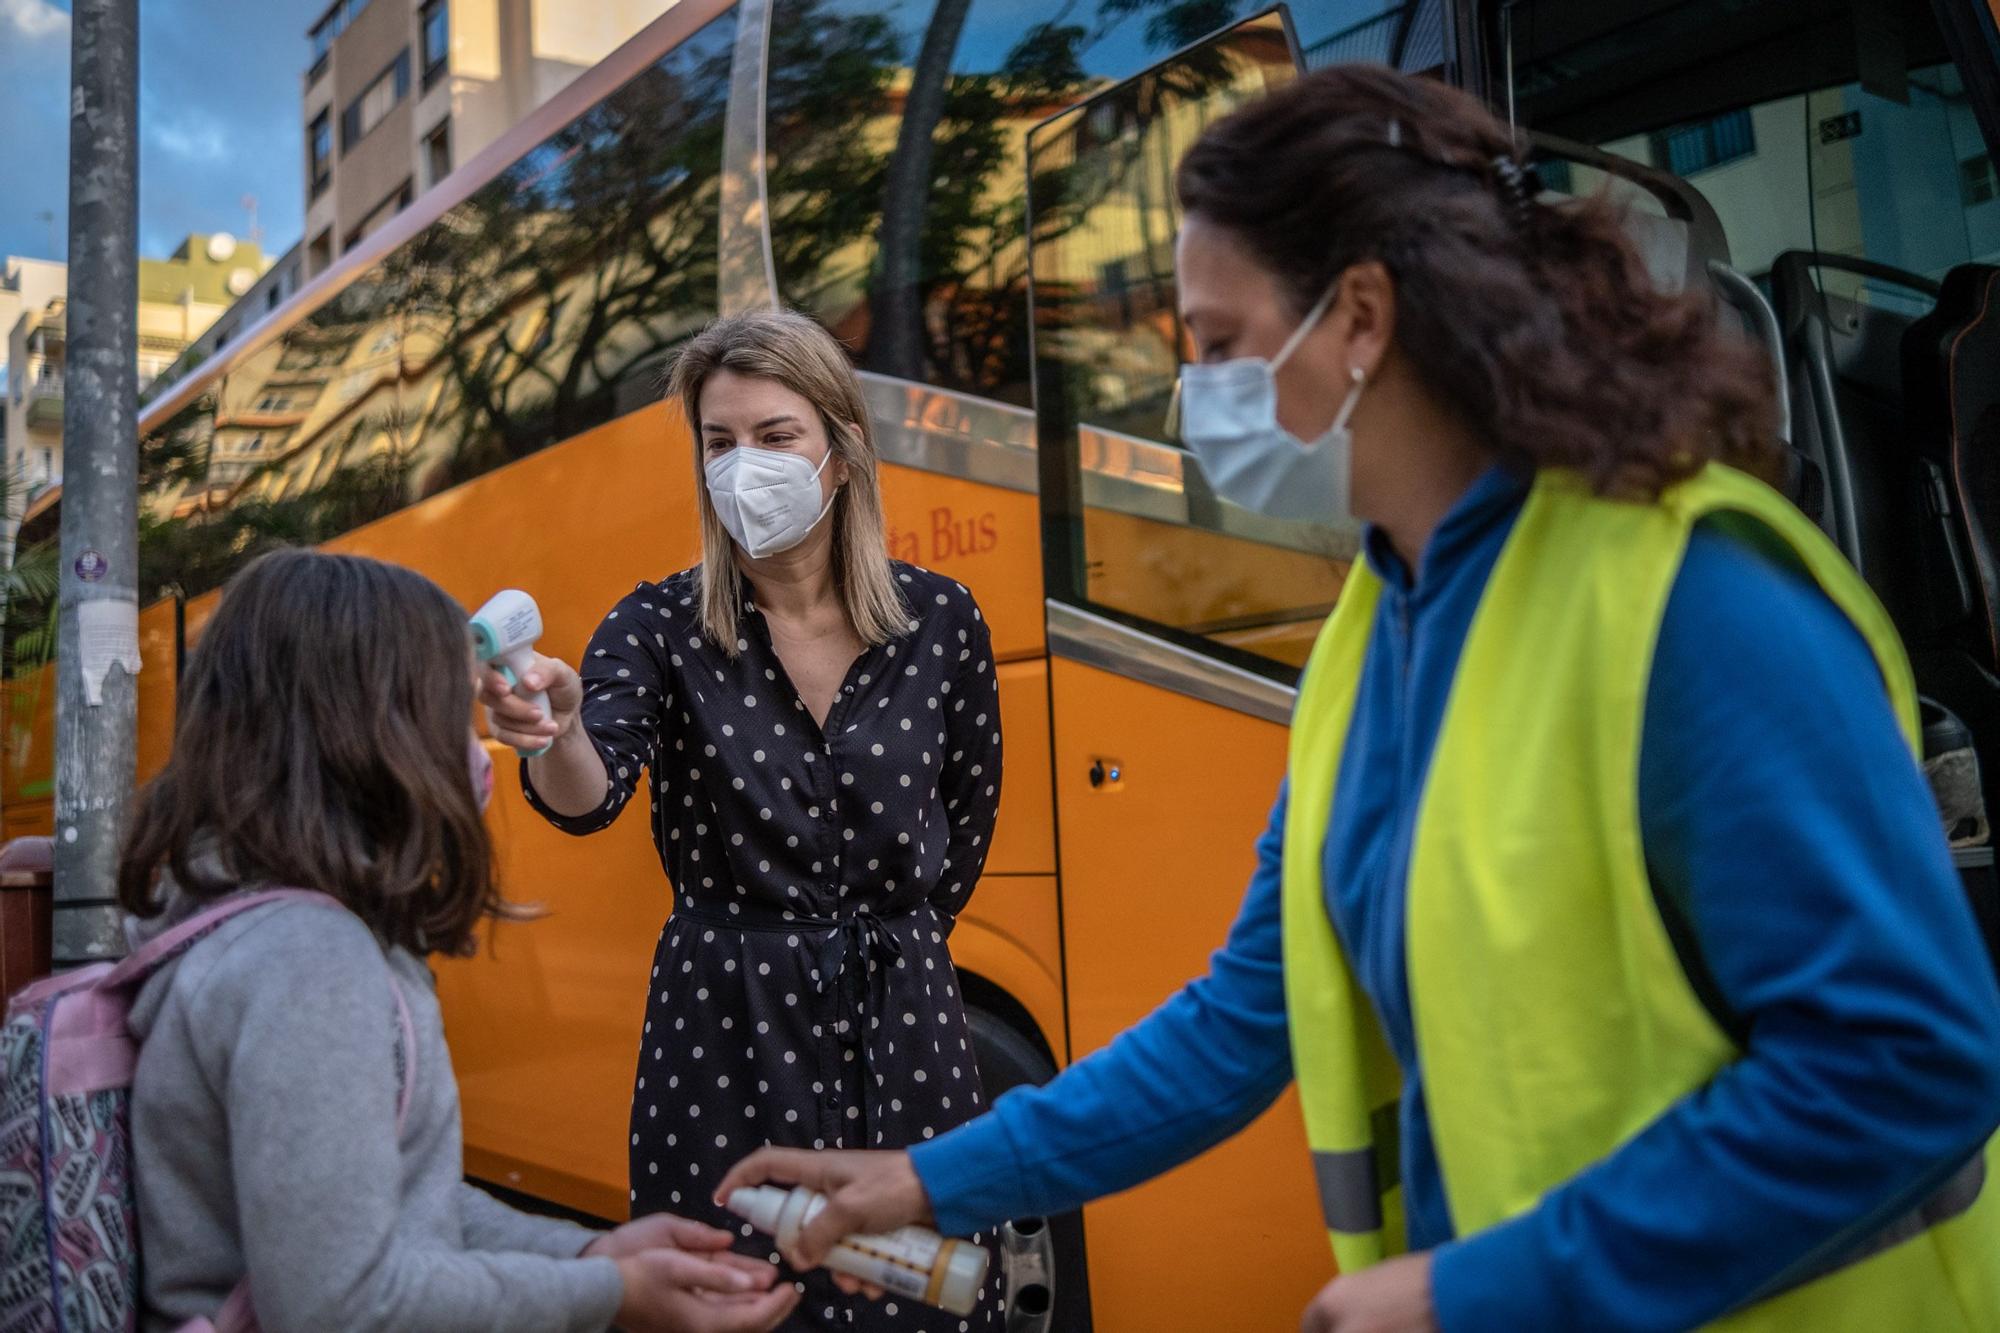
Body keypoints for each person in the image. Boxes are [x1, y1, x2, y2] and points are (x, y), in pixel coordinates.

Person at [720, 64, 2000, 1332]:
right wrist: (925, 1176)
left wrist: (1475, 1290)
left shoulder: (1689, 596)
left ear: (1362, 318)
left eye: (1218, 343)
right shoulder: (1372, 634)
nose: (1191, 397)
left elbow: (1903, 1059)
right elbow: (1242, 1016)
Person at [483, 309, 1005, 1330]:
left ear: (841, 453)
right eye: (717, 443)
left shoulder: (943, 621)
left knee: (923, 1297)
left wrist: (889, 947)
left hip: (906, 1027)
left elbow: (965, 827)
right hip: (722, 1037)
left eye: (773, 437)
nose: (740, 466)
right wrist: (554, 732)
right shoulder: (657, 625)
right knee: (732, 1298)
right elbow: (590, 795)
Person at [124, 548, 800, 1333]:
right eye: (452, 713)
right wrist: (610, 1295)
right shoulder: (306, 962)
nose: (478, 753)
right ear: (371, 735)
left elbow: (403, 1199)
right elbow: (342, 1304)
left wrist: (593, 1258)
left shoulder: (253, 916)